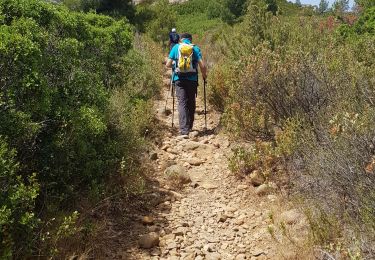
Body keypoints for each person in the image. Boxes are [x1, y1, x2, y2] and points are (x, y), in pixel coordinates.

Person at [166, 33, 207, 136]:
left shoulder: (176, 47)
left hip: (179, 79)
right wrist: (204, 75)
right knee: (191, 102)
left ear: (181, 39)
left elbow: (168, 64)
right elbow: (202, 65)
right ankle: (190, 126)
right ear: (190, 39)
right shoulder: (195, 48)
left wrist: (174, 64)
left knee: (182, 103)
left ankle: (184, 130)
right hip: (192, 80)